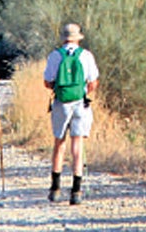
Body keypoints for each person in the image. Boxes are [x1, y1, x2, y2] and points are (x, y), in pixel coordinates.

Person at [44, 22, 99, 206]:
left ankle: (55, 189)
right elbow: (93, 82)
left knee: (59, 143)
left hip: (61, 103)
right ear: (77, 38)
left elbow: (47, 82)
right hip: (80, 104)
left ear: (64, 38)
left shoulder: (55, 55)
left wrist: (61, 89)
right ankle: (76, 191)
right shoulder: (86, 56)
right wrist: (82, 92)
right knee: (77, 144)